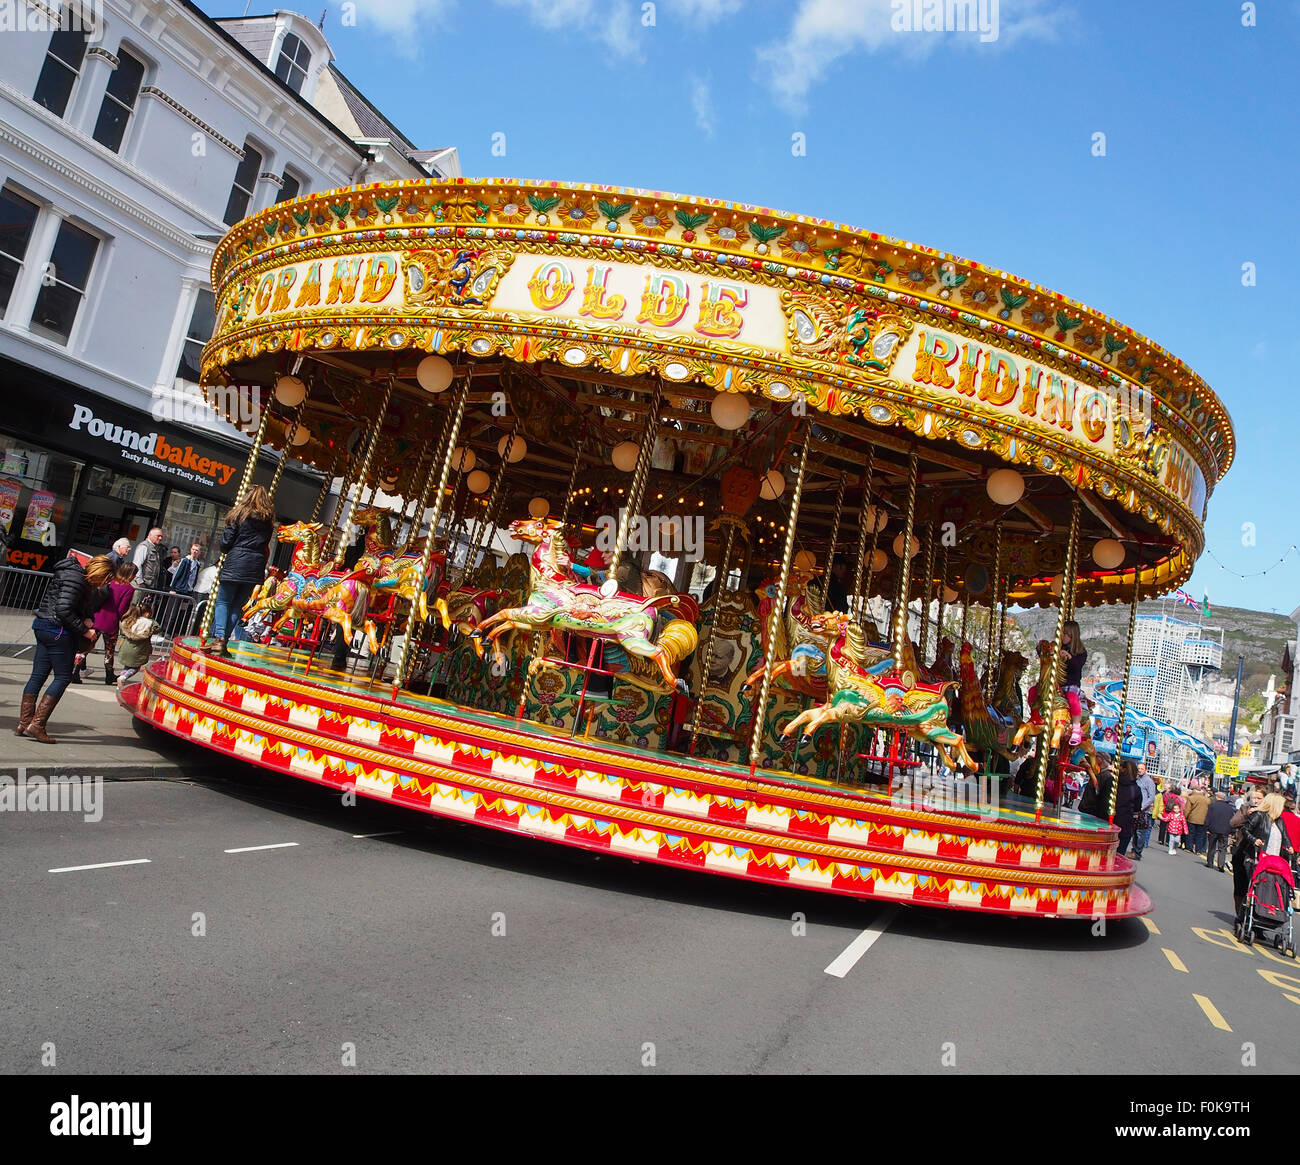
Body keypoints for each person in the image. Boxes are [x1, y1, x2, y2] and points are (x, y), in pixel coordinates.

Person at [17, 553, 113, 743]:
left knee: (38, 675)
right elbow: (63, 609)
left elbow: (67, 604)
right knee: (62, 677)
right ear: (100, 572)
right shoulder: (78, 579)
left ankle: (25, 722)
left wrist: (85, 617)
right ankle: (37, 725)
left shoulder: (70, 573)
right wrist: (85, 630)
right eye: (105, 579)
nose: (103, 584)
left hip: (43, 625)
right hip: (58, 631)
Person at [204, 485, 274, 657]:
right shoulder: (268, 521)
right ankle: (224, 640)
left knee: (223, 602)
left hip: (236, 561)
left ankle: (219, 637)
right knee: (237, 605)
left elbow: (226, 544)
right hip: (255, 566)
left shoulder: (239, 515)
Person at [94, 561, 137, 684]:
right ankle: (109, 675)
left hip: (98, 617)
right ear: (131, 575)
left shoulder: (110, 582)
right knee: (109, 651)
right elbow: (122, 608)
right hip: (111, 622)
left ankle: (75, 669)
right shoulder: (129, 589)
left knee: (87, 646)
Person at [1229, 788, 1269, 920]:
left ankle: (1254, 918)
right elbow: (1233, 823)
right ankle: (1239, 915)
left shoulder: (1267, 814)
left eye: (1259, 798)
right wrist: (1248, 815)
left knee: (1256, 890)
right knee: (1240, 888)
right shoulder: (1245, 809)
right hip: (1241, 851)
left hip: (1258, 856)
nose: (1256, 801)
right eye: (1254, 798)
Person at [114, 600, 159, 687]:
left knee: (127, 666)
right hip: (139, 649)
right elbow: (158, 628)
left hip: (126, 647)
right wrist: (152, 620)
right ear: (147, 613)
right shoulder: (149, 622)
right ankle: (123, 677)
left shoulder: (131, 620)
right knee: (136, 667)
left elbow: (123, 633)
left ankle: (121, 678)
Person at [168, 542, 202, 637]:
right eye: (193, 549)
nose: (195, 552)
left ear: (199, 552)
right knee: (173, 611)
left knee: (182, 613)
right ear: (190, 550)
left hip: (188, 590)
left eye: (197, 550)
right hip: (179, 588)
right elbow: (177, 574)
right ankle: (167, 631)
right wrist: (173, 587)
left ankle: (176, 631)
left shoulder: (197, 564)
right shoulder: (185, 560)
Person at [1114, 760, 1142, 857]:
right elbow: (1137, 808)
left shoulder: (1114, 783)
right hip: (1126, 823)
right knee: (1119, 854)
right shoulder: (1136, 789)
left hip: (1111, 820)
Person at [1205, 791, 1235, 872]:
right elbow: (1232, 821)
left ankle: (1210, 862)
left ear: (1217, 797)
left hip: (1213, 829)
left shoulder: (1212, 806)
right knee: (1223, 848)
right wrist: (1231, 831)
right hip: (1225, 830)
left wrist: (1207, 828)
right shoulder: (1230, 808)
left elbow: (1208, 818)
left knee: (1212, 846)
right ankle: (1221, 865)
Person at [1133, 764, 1156, 859]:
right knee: (1134, 831)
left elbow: (1151, 797)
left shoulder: (1149, 781)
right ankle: (1134, 850)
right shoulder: (1137, 780)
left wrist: (1142, 807)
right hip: (1135, 808)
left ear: (1145, 770)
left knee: (1140, 832)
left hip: (1143, 810)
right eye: (1138, 768)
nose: (1139, 770)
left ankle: (1138, 852)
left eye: (1142, 769)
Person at [132, 527, 165, 591]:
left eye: (161, 536)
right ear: (150, 535)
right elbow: (137, 565)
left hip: (149, 586)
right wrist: (140, 582)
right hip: (141, 585)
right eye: (158, 536)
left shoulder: (156, 548)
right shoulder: (144, 547)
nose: (160, 538)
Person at [1164, 786, 1188, 855]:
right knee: (1171, 840)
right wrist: (1163, 818)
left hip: (1178, 830)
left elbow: (1184, 823)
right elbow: (1167, 819)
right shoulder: (1171, 814)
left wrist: (1185, 830)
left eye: (1177, 809)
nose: (1176, 810)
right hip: (1171, 829)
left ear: (1179, 809)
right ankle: (1170, 849)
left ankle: (1174, 848)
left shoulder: (1181, 816)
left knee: (1177, 841)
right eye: (1174, 809)